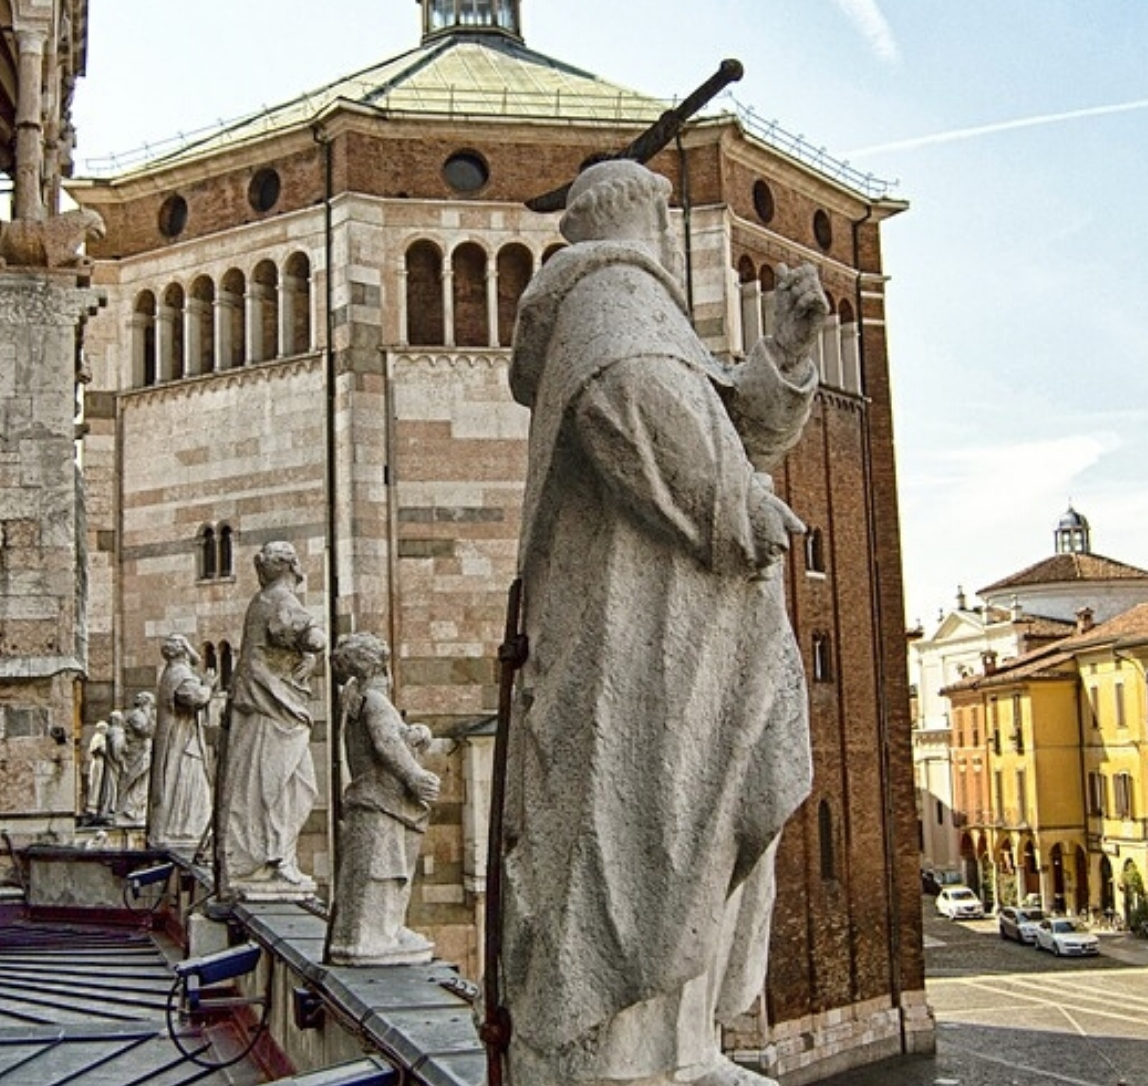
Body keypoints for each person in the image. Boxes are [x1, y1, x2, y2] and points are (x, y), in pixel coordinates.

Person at [502, 158, 826, 1086]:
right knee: (643, 832)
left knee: (692, 827)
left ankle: (680, 1052)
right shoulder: (607, 301)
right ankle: (629, 1058)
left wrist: (786, 355)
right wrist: (739, 510)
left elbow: (724, 424)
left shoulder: (632, 310)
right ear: (643, 218)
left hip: (681, 638)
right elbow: (633, 413)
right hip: (634, 641)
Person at [214, 541, 327, 895]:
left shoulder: (261, 600)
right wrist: (317, 643)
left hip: (266, 706)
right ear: (293, 567)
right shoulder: (280, 600)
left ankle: (273, 857)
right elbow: (306, 636)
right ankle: (272, 859)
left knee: (278, 785)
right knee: (287, 787)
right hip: (273, 709)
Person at [326, 632, 443, 965]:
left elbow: (388, 738)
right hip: (383, 797)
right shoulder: (375, 701)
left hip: (371, 794)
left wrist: (413, 735)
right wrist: (415, 776)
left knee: (377, 864)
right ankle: (373, 938)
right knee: (385, 866)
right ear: (375, 665)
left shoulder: (353, 695)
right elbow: (385, 744)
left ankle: (383, 929)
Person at [147, 634, 214, 849]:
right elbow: (196, 698)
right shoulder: (179, 674)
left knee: (186, 783)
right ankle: (184, 830)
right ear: (184, 650)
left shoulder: (171, 673)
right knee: (189, 783)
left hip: (180, 738)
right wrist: (209, 686)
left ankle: (184, 828)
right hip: (182, 742)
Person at [114, 692, 155, 827]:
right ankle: (128, 809)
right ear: (145, 703)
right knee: (132, 780)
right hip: (135, 753)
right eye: (150, 705)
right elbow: (146, 731)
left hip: (143, 753)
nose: (151, 708)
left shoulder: (144, 715)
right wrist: (154, 720)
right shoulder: (136, 715)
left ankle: (137, 810)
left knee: (142, 783)